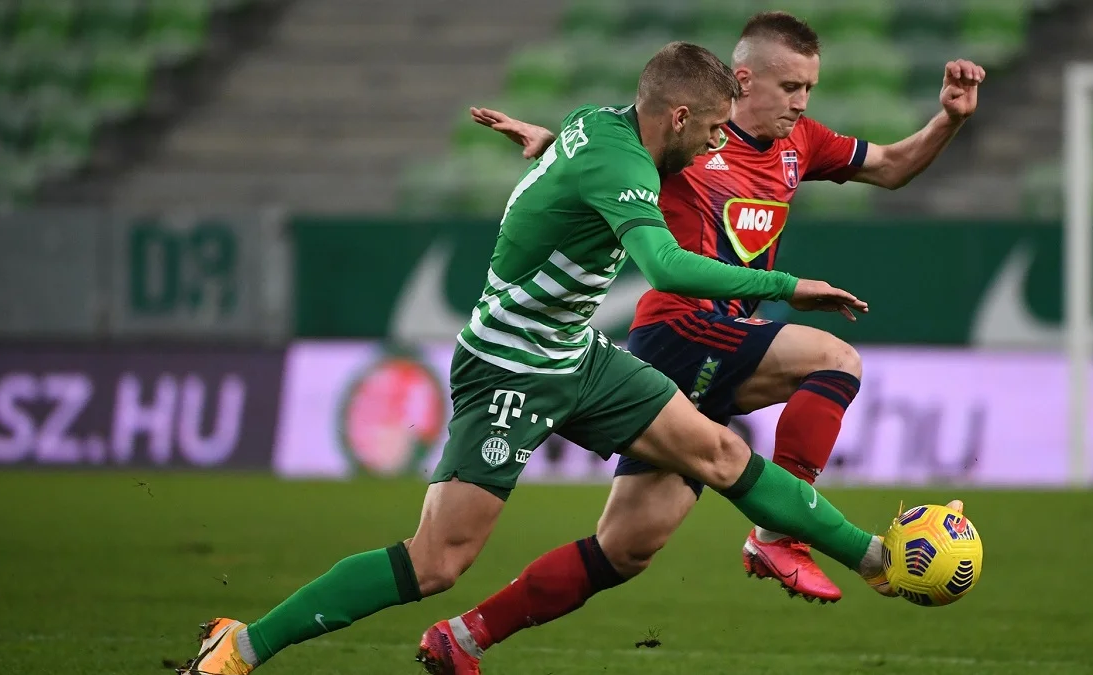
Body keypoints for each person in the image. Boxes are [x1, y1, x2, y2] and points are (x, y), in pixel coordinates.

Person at [175, 41, 896, 675]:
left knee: (718, 451)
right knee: (437, 562)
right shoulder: (624, 166)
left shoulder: (600, 123)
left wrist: (547, 148)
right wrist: (786, 286)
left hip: (575, 354)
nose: (716, 147)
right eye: (711, 131)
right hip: (509, 366)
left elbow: (586, 169)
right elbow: (665, 266)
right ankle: (245, 644)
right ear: (678, 118)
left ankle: (874, 559)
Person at [423, 10, 984, 673]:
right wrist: (554, 144)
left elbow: (889, 166)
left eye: (810, 88)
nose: (802, 102)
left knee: (624, 549)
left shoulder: (802, 143)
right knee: (835, 360)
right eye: (791, 87)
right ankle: (780, 533)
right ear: (744, 80)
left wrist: (948, 119)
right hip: (679, 330)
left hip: (723, 345)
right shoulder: (692, 138)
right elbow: (615, 157)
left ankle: (465, 636)